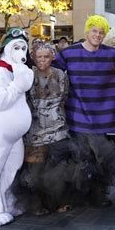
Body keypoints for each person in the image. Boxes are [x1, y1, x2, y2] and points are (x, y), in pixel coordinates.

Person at [53, 15, 115, 207]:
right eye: (94, 30)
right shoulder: (69, 53)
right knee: (80, 159)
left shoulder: (113, 54)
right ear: (87, 31)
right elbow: (49, 68)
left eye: (102, 32)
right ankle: (79, 196)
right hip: (78, 115)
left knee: (103, 160)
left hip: (105, 117)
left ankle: (99, 195)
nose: (98, 35)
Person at [0, 28, 34, 226]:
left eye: (23, 48)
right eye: (16, 47)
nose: (20, 51)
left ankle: (6, 203)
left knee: (13, 167)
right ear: (7, 48)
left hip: (13, 135)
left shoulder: (17, 69)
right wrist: (17, 86)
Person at [11, 43, 72, 216]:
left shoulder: (60, 75)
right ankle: (37, 203)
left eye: (47, 56)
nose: (43, 60)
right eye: (39, 57)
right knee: (35, 170)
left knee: (59, 167)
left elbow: (64, 98)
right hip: (34, 128)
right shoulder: (28, 75)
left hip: (57, 126)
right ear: (34, 58)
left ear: (53, 57)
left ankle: (60, 202)